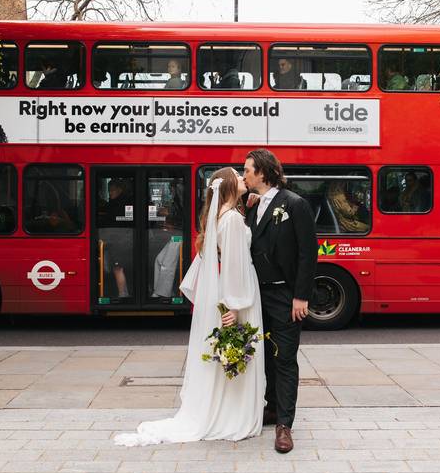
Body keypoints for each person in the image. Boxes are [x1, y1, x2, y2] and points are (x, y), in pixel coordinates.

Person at [114, 168, 265, 446]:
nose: (244, 178)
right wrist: (236, 305)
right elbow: (234, 266)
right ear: (230, 186)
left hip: (231, 291)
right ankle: (233, 414)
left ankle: (224, 409)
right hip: (240, 294)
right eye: (239, 176)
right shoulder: (231, 219)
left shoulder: (220, 216)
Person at [243, 148, 318, 454]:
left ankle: (284, 425)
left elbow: (308, 253)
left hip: (285, 296)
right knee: (261, 355)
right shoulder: (250, 205)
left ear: (263, 172)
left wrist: (300, 296)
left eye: (248, 169)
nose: (244, 173)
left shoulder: (294, 204)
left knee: (285, 358)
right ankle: (271, 408)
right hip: (255, 295)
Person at [100, 179, 132, 298]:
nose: (110, 193)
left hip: (118, 240)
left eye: (111, 190)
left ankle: (123, 294)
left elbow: (113, 221)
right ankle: (124, 293)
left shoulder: (119, 203)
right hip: (119, 239)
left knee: (117, 268)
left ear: (119, 190)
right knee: (116, 268)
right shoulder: (120, 202)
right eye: (109, 191)